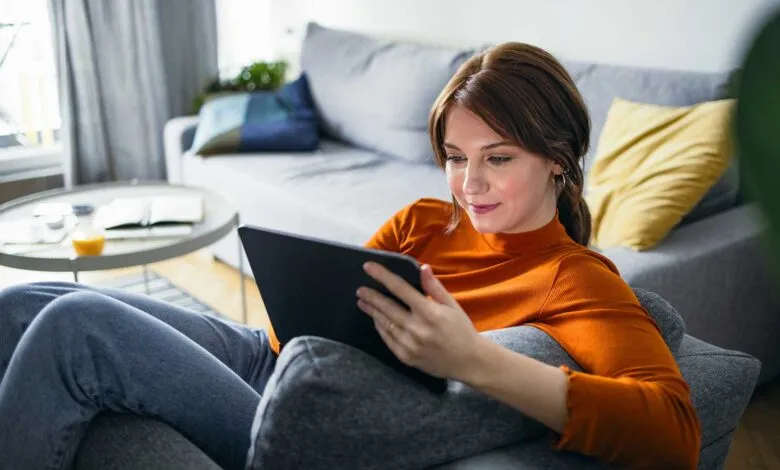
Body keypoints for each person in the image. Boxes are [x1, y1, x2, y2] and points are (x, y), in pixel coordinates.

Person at [0, 42, 700, 470]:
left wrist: (474, 360)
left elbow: (675, 431)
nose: (469, 184)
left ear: (557, 161)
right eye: (455, 158)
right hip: (269, 358)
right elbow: (300, 322)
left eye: (498, 158)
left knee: (78, 328)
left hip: (302, 416)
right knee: (23, 303)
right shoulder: (424, 220)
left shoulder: (574, 278)